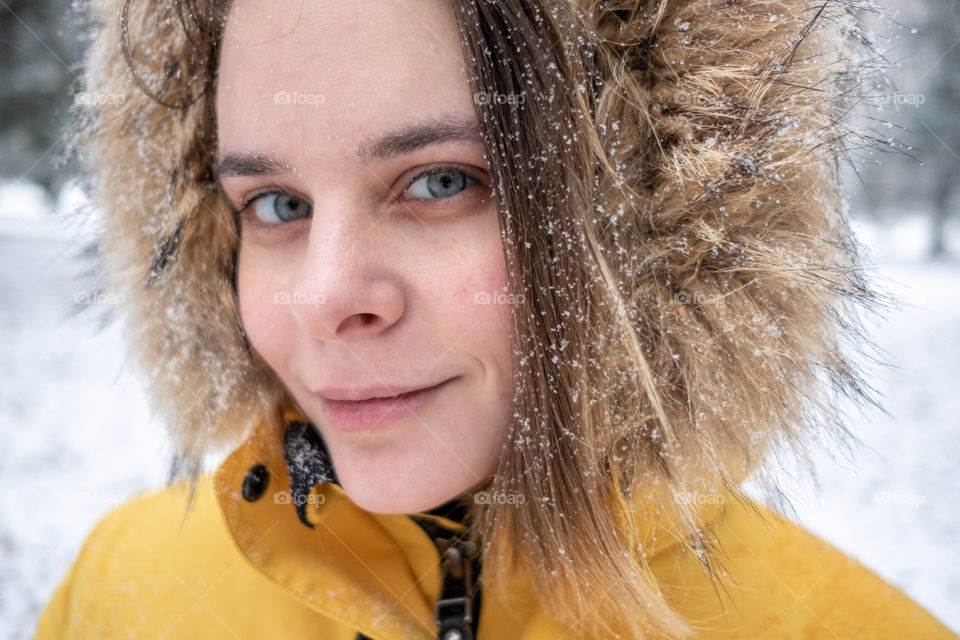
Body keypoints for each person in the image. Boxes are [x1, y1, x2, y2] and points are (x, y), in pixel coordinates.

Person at [33, 0, 957, 638]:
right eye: (276, 204)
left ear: (648, 218)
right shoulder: (122, 593)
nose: (324, 297)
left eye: (442, 181)